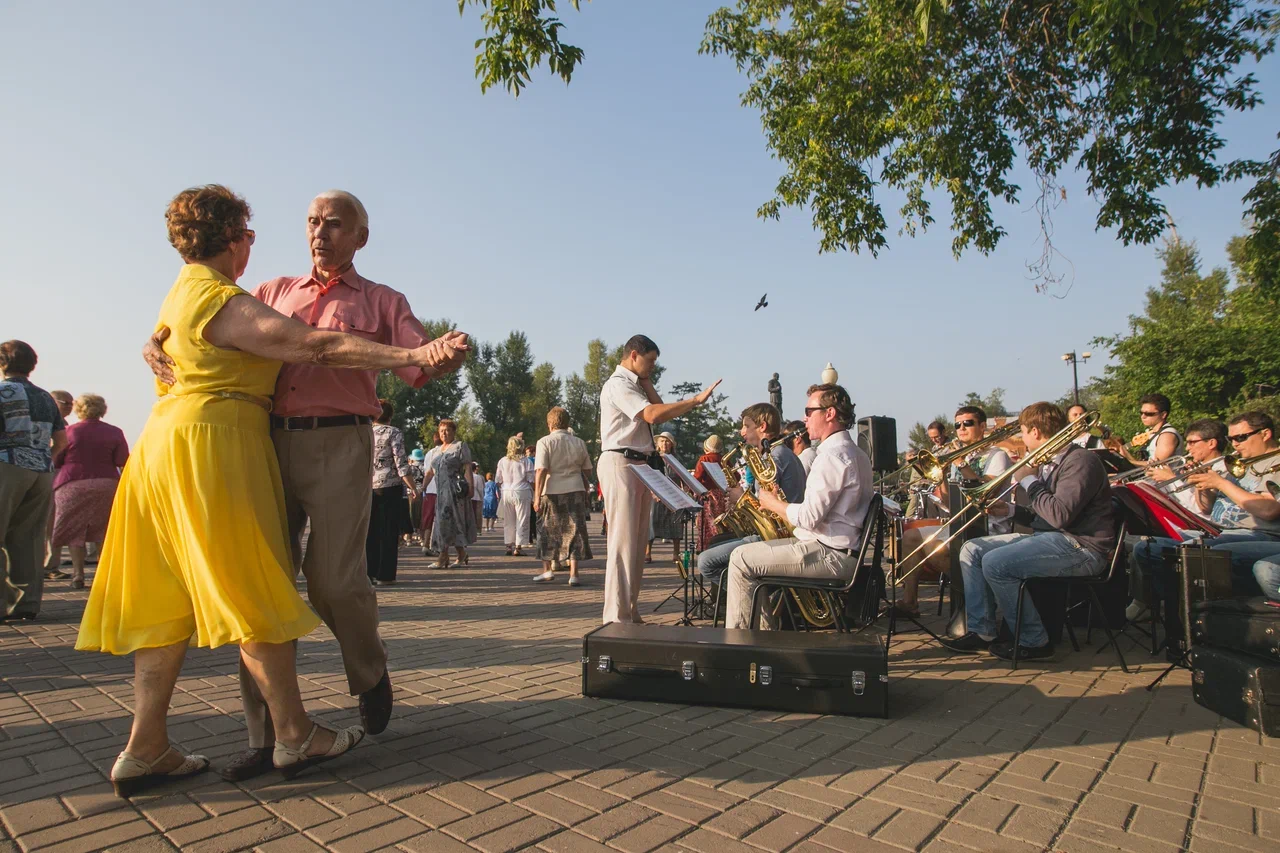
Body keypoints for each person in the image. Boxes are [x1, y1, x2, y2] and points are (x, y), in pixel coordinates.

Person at [82, 185, 463, 796]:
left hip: (333, 442)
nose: (319, 232)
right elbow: (226, 332)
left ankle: (365, 674)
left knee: (331, 581)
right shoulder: (265, 293)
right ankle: (268, 738)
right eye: (311, 221)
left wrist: (433, 354)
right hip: (254, 444)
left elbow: (420, 365)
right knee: (258, 582)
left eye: (334, 223)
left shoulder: (384, 300)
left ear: (361, 236)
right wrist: (151, 338)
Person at [946, 402, 1116, 662]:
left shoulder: (1080, 461)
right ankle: (983, 632)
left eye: (1023, 432)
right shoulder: (1050, 462)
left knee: (995, 563)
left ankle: (1034, 640)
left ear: (1035, 432)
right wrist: (1012, 511)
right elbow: (1046, 515)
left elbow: (1059, 515)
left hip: (1082, 548)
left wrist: (1028, 479)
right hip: (1053, 538)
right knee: (972, 549)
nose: (1022, 440)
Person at [723, 384, 871, 629]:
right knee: (749, 556)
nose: (805, 418)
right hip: (838, 549)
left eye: (809, 411)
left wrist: (774, 503)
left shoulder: (833, 456)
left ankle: (739, 645)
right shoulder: (854, 452)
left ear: (830, 413)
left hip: (830, 554)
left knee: (740, 558)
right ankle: (760, 638)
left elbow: (810, 517)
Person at [599, 334, 720, 624]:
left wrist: (645, 379)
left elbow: (658, 408)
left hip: (639, 464)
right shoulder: (618, 383)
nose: (653, 366)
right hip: (621, 460)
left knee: (637, 542)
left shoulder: (634, 383)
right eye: (650, 361)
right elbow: (653, 415)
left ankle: (629, 609)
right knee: (623, 542)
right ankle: (616, 616)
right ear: (633, 355)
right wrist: (694, 401)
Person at [1131, 411, 1280, 599]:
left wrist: (1220, 483)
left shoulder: (1275, 463)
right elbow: (1206, 509)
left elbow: (1268, 510)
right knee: (1148, 548)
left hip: (1263, 534)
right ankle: (1173, 611)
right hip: (1219, 530)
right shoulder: (1240, 463)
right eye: (1231, 439)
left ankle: (1200, 613)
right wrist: (1201, 483)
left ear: (1265, 434)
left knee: (1204, 555)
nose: (1234, 444)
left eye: (1241, 438)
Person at [697, 402, 807, 588]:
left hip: (777, 536)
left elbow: (768, 505)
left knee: (706, 562)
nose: (742, 432)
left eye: (746, 426)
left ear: (762, 427)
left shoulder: (775, 457)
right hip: (778, 533)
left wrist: (740, 497)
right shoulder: (778, 453)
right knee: (716, 544)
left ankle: (756, 599)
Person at [1, 341, 67, 620]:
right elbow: (61, 440)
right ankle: (26, 604)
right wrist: (43, 459)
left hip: (7, 466)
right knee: (29, 538)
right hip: (41, 471)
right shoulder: (45, 397)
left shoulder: (3, 392)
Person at [50, 394, 129, 589]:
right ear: (102, 409)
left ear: (79, 409)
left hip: (72, 483)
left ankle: (78, 574)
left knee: (74, 529)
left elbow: (57, 460)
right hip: (106, 483)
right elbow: (122, 460)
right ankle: (103, 575)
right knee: (104, 529)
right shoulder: (115, 432)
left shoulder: (69, 431)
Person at [532, 407, 593, 585]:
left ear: (549, 423)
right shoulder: (579, 442)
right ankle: (574, 574)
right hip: (575, 489)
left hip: (551, 490)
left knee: (546, 530)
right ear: (568, 423)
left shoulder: (544, 442)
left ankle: (547, 570)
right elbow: (587, 470)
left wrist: (536, 496)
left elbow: (541, 470)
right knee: (574, 530)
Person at [367, 400, 416, 586]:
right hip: (390, 486)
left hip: (368, 486)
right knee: (388, 531)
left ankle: (368, 573)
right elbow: (400, 462)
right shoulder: (393, 432)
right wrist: (412, 486)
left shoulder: (366, 431)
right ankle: (385, 575)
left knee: (371, 531)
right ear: (390, 416)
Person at [421, 419, 475, 568]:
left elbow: (467, 468)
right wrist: (422, 487)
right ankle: (453, 555)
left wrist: (471, 487)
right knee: (441, 523)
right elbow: (430, 472)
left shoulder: (459, 446)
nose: (444, 433)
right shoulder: (436, 451)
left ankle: (447, 556)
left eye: (447, 430)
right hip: (440, 493)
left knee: (453, 523)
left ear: (453, 431)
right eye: (441, 431)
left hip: (455, 492)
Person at [43, 390, 75, 578]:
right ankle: (48, 566)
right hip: (50, 472)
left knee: (52, 522)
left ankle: (50, 565)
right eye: (65, 402)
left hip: (56, 473)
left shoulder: (64, 424)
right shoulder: (49, 420)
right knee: (48, 521)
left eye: (72, 403)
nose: (70, 406)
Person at [646, 432, 683, 564]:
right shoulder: (653, 458)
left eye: (667, 441)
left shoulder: (676, 459)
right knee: (651, 522)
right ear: (657, 444)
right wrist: (653, 492)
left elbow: (681, 477)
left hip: (673, 494)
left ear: (672, 444)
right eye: (662, 441)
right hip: (656, 494)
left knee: (676, 523)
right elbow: (648, 476)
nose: (664, 444)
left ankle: (676, 553)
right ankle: (647, 552)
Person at [1121, 393, 1183, 466]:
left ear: (1163, 415)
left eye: (1148, 414)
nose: (1143, 416)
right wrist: (1123, 453)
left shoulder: (1167, 436)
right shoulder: (1153, 433)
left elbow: (1158, 465)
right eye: (1141, 413)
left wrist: (1127, 462)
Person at [496, 436, 532, 556]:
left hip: (506, 491)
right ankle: (518, 546)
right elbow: (531, 479)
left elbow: (498, 479)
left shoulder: (502, 461)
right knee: (521, 519)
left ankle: (508, 545)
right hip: (521, 490)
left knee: (508, 520)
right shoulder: (525, 461)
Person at [693, 435, 726, 550]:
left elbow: (697, 478)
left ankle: (707, 546)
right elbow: (735, 476)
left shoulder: (704, 459)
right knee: (721, 522)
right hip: (722, 495)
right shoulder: (724, 459)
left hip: (708, 495)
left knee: (707, 523)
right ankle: (721, 545)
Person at [420, 437, 442, 556]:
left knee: (428, 518)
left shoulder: (429, 453)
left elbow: (426, 471)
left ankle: (425, 543)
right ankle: (437, 546)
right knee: (440, 519)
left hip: (429, 488)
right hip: (441, 489)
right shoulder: (445, 452)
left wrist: (424, 487)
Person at [406, 448, 426, 545]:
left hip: (410, 492)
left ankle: (409, 539)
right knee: (420, 514)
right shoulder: (424, 467)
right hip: (421, 492)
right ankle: (422, 538)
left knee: (410, 514)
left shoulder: (409, 468)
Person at [470, 461, 485, 532]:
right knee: (477, 514)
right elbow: (480, 488)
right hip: (477, 497)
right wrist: (482, 497)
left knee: (470, 514)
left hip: (469, 498)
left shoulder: (465, 476)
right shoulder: (478, 477)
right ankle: (478, 529)